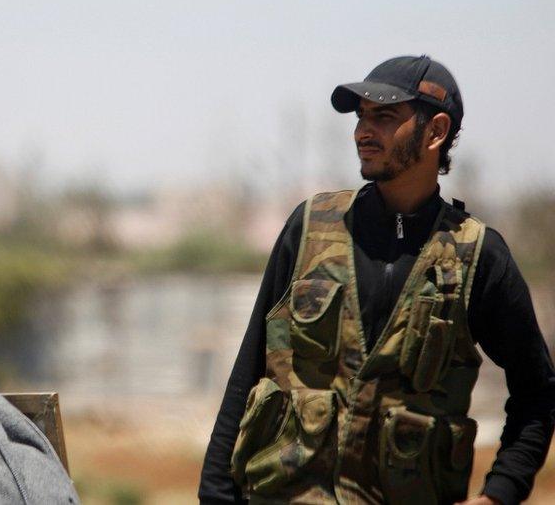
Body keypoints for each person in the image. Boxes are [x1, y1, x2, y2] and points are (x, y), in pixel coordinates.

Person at [198, 55, 555, 504]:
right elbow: (247, 371)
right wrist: (214, 494)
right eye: (361, 117)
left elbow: (538, 395)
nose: (363, 132)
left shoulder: (477, 256)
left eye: (384, 117)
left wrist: (500, 494)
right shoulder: (311, 227)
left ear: (436, 131)